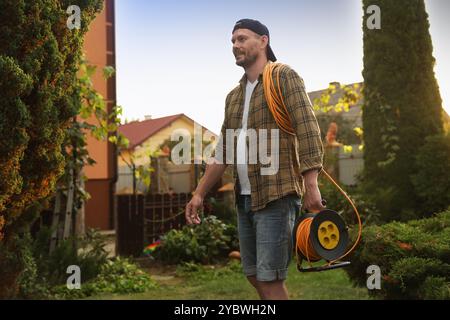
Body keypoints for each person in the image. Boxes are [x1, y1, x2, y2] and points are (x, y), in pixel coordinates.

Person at [185, 18, 325, 300]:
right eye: (233, 41)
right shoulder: (234, 97)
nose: (236, 45)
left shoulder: (284, 76)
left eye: (242, 38)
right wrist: (199, 193)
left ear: (263, 41)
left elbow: (308, 128)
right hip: (245, 198)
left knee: (270, 278)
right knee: (252, 272)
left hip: (276, 193)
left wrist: (311, 185)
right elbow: (224, 150)